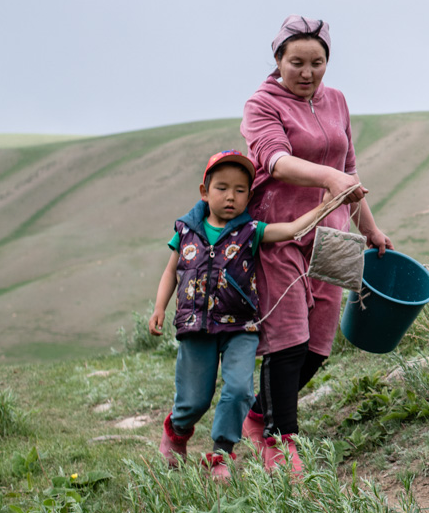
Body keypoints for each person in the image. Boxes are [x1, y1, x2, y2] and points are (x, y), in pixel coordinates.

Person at [240, 16, 393, 473]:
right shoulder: (261, 104)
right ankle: (279, 441)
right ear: (278, 60)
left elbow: (349, 171)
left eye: (317, 63)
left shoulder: (337, 101)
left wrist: (370, 229)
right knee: (288, 336)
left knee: (318, 345)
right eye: (297, 62)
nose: (307, 72)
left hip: (333, 234)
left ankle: (257, 417)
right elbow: (276, 161)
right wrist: (329, 177)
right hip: (280, 230)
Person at [148, 151, 345, 480]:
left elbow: (292, 228)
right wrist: (159, 308)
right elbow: (172, 271)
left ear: (249, 196)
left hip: (240, 327)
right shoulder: (185, 230)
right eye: (222, 188)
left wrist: (326, 205)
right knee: (194, 400)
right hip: (196, 327)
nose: (231, 197)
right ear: (204, 191)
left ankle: (221, 454)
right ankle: (177, 431)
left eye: (240, 190)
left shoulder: (251, 230)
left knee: (239, 390)